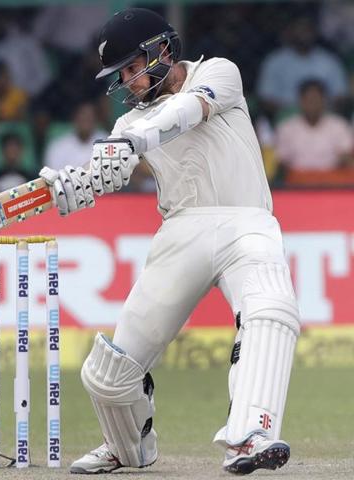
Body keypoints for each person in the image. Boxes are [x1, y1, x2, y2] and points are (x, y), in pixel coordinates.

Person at [39, 8, 300, 475]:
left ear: (162, 50)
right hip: (180, 231)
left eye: (132, 68)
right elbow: (105, 174)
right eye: (120, 75)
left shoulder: (218, 73)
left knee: (270, 311)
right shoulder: (127, 127)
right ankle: (127, 448)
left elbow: (187, 110)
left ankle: (250, 434)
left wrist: (132, 143)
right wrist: (74, 186)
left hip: (247, 224)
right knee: (109, 375)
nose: (128, 82)